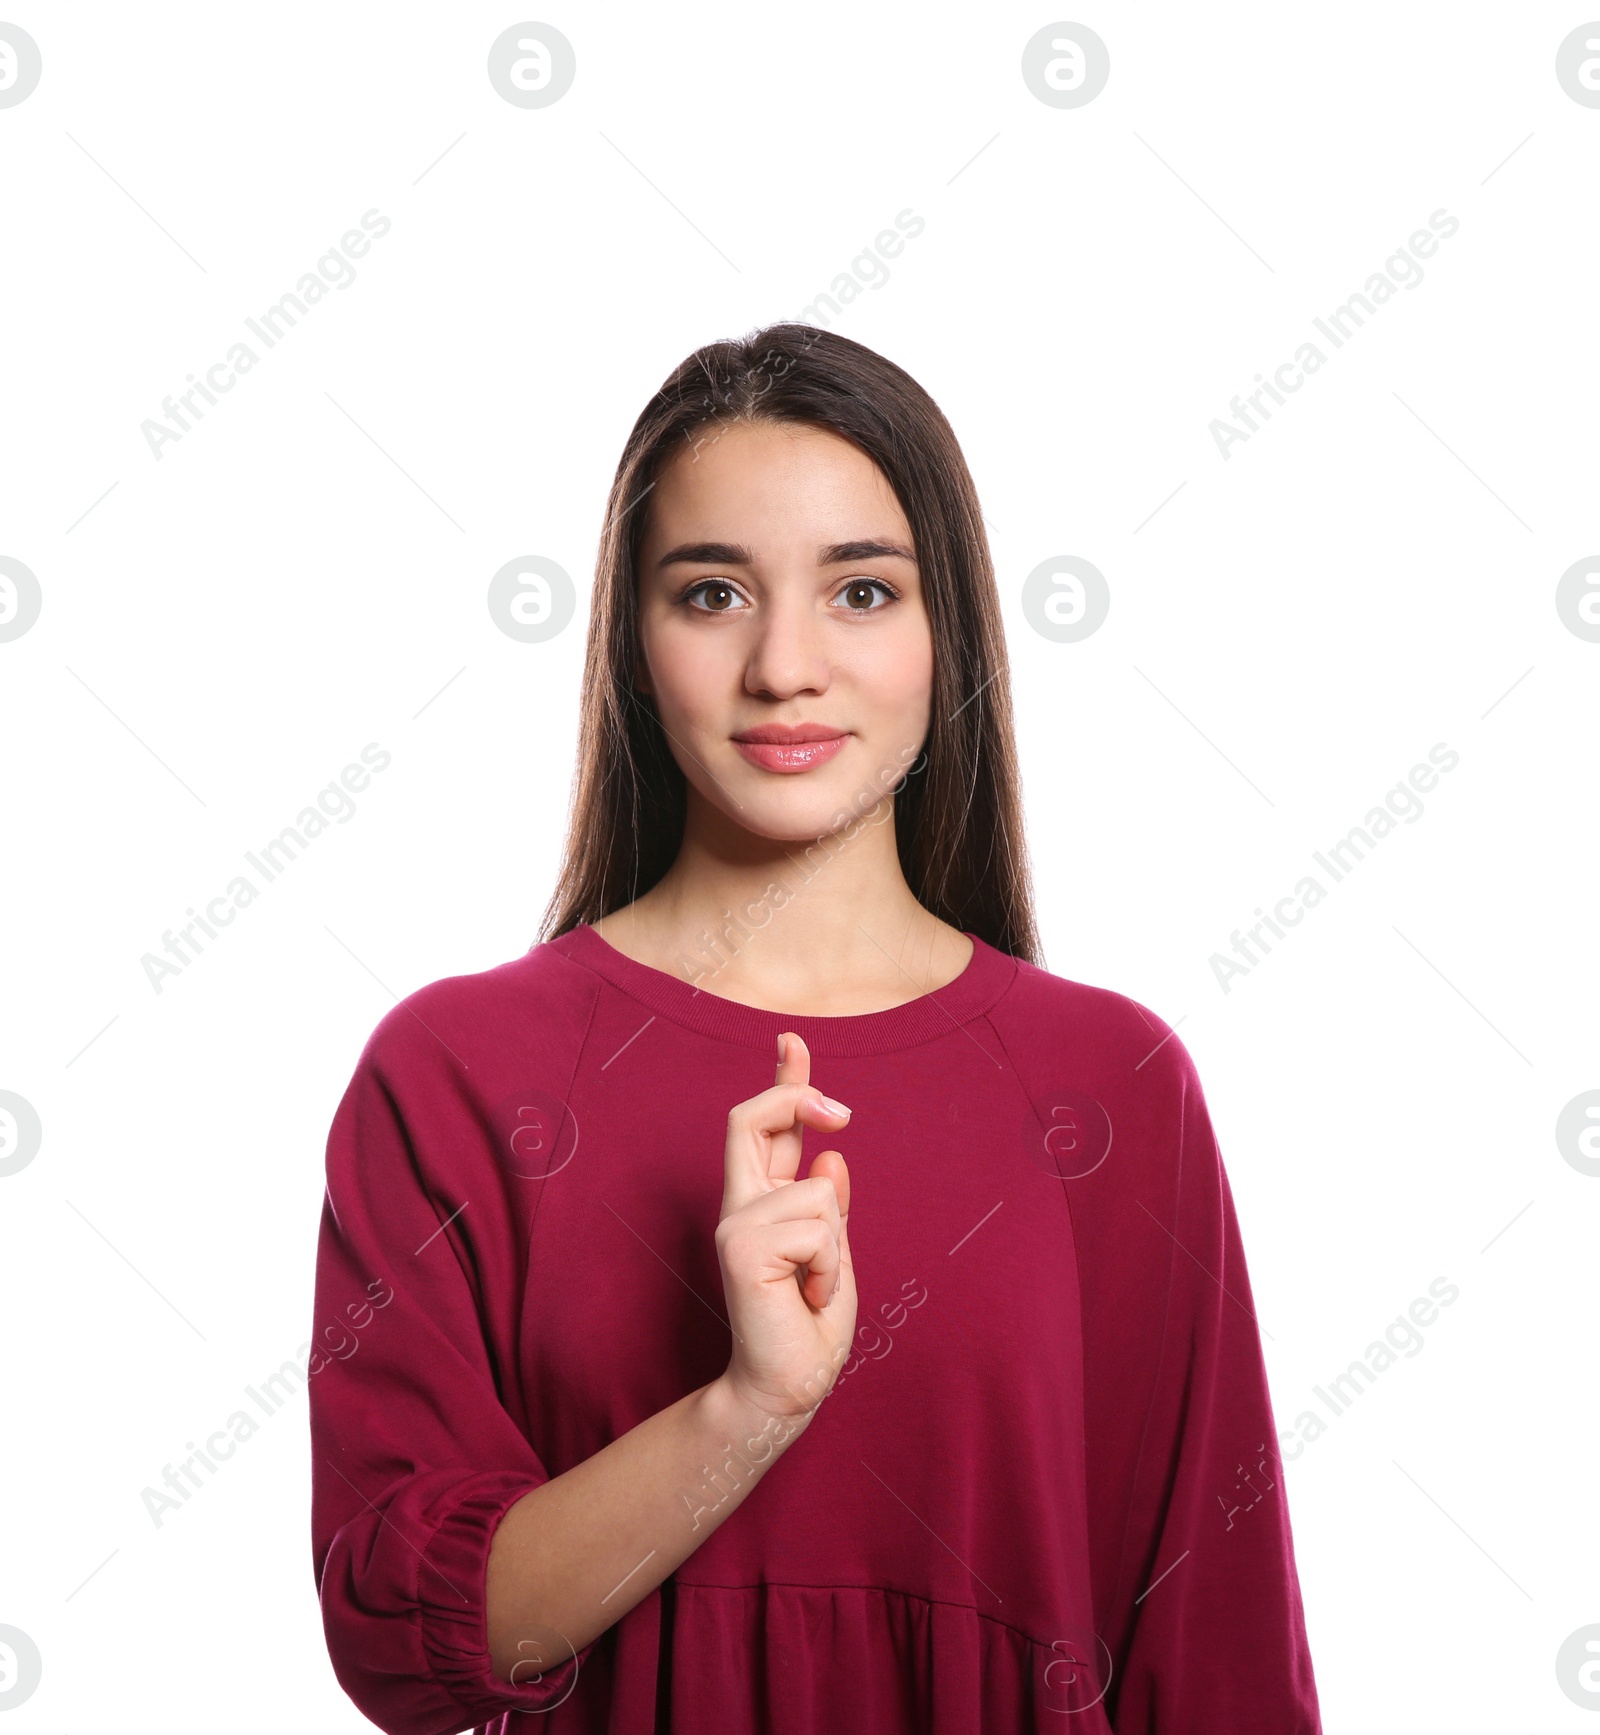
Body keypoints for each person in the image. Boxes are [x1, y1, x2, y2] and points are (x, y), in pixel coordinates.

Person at [308, 323, 1323, 1733]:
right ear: (631, 643)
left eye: (861, 590)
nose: (787, 666)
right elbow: (405, 1646)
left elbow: (1214, 1662)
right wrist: (748, 1407)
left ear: (945, 631)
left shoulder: (1108, 1085)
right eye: (713, 592)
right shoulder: (458, 1075)